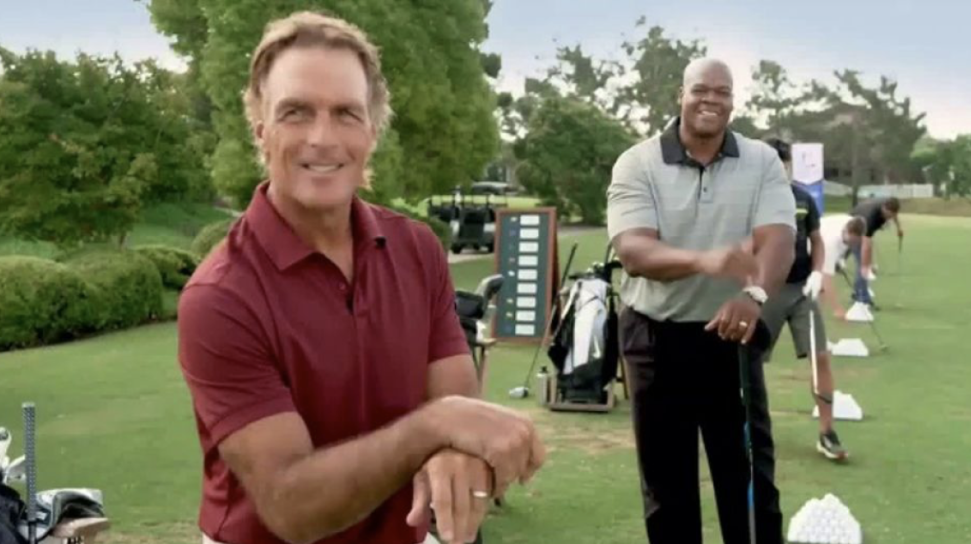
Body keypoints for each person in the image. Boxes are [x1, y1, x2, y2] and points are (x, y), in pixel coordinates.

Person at [176, 12, 545, 544]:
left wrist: (454, 446)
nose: (322, 138)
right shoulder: (220, 297)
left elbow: (455, 396)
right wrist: (438, 427)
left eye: (347, 113)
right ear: (261, 130)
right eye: (296, 112)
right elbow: (292, 507)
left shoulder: (417, 248)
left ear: (372, 131)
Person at [607, 57, 797, 544]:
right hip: (655, 338)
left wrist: (754, 294)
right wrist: (704, 260)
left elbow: (778, 239)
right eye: (701, 90)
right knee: (667, 488)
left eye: (722, 92)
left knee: (750, 483)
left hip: (732, 337)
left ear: (733, 101)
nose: (711, 100)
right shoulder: (638, 162)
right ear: (682, 96)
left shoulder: (761, 161)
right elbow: (633, 252)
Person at [759, 139, 850, 461]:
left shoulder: (802, 198)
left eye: (783, 163)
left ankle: (827, 432)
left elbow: (816, 241)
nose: (779, 169)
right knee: (750, 363)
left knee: (820, 357)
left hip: (802, 289)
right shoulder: (751, 198)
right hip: (764, 291)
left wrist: (817, 273)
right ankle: (748, 429)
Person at [847, 196, 903, 307]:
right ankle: (862, 298)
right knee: (862, 264)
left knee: (865, 263)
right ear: (884, 208)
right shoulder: (871, 218)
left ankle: (859, 293)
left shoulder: (888, 204)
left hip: (861, 226)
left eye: (891, 216)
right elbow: (866, 244)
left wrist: (899, 228)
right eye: (888, 215)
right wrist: (867, 265)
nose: (889, 218)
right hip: (852, 228)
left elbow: (894, 214)